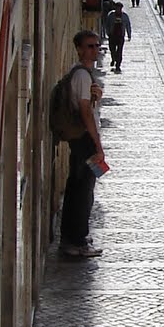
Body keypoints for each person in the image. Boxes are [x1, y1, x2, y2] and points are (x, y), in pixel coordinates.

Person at [60, 29, 105, 259]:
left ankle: (76, 237)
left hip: (83, 140)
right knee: (83, 191)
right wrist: (98, 146)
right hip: (85, 140)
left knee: (81, 187)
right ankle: (76, 241)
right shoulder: (81, 75)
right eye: (89, 46)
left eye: (96, 46)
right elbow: (86, 112)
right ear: (79, 49)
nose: (94, 50)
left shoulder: (83, 74)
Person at [104, 1, 132, 71]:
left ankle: (118, 65)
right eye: (117, 8)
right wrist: (108, 33)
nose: (118, 9)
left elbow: (128, 25)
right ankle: (113, 59)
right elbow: (107, 24)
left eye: (119, 8)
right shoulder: (111, 15)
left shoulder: (125, 16)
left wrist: (129, 35)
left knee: (119, 51)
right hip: (112, 35)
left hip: (120, 36)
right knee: (112, 50)